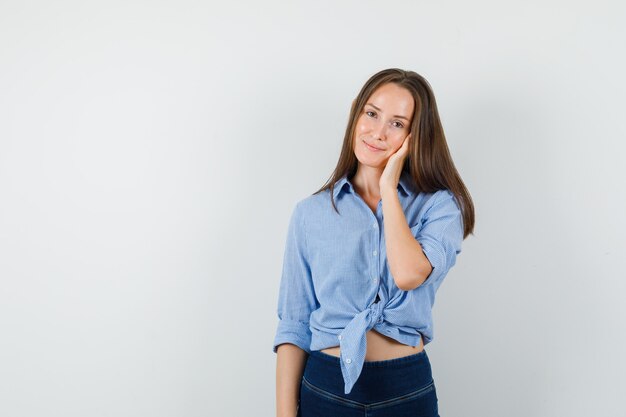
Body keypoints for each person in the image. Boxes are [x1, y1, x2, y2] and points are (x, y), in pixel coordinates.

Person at [273, 68, 475, 417]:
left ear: (415, 135)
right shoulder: (310, 213)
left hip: (405, 390)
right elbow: (294, 324)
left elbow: (409, 274)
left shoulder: (441, 205)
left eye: (397, 124)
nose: (379, 132)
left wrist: (388, 188)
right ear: (356, 112)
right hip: (325, 387)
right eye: (372, 114)